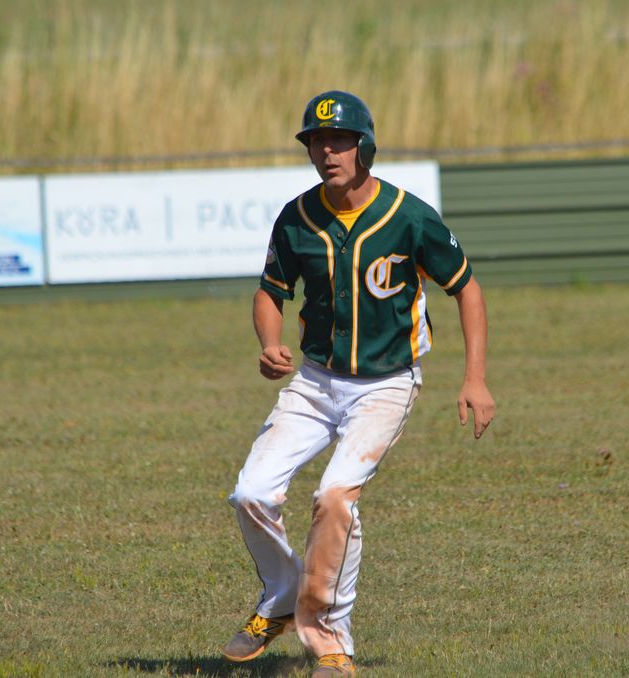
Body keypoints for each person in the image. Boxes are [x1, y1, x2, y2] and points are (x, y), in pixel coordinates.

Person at [222, 90, 495, 677]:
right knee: (250, 493)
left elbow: (466, 289)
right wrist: (268, 341)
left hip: (386, 383)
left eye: (340, 140)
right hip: (316, 381)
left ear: (365, 146)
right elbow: (271, 291)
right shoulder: (296, 217)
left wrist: (475, 379)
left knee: (334, 497)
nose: (328, 151)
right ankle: (281, 596)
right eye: (318, 141)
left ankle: (332, 645)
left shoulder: (409, 217)